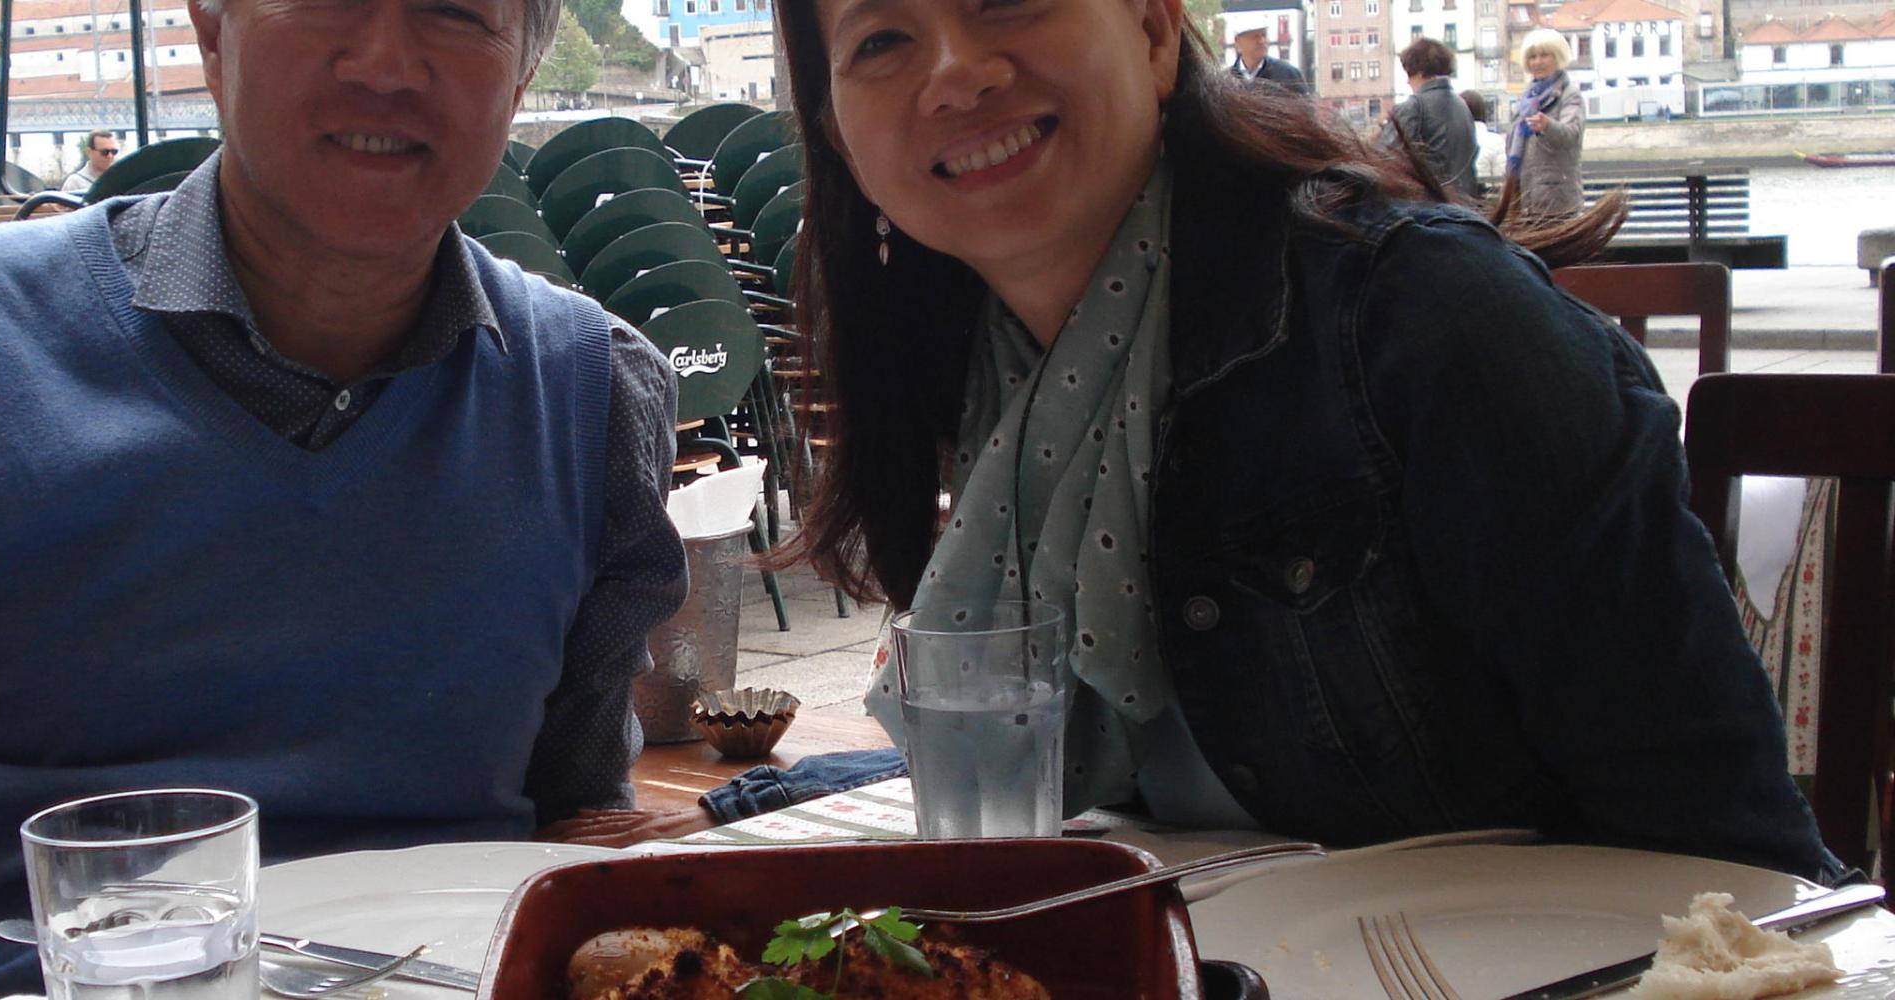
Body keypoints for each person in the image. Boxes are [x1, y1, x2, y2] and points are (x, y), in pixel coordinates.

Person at [0, 0, 688, 989]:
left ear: (520, 76)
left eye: (456, 12)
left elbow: (576, 819)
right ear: (214, 34)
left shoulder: (588, 392)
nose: (388, 60)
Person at [755, 0, 1843, 885]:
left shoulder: (1424, 319)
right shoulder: (979, 379)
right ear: (839, 134)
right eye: (881, 40)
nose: (955, 71)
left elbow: (1727, 865)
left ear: (1152, 27)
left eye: (1008, 0)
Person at [1505, 27, 1586, 220]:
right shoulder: (1525, 100)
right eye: (1532, 57)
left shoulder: (1569, 94)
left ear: (1557, 57)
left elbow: (1572, 135)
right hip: (1524, 199)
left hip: (1555, 202)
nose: (1537, 62)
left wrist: (1546, 126)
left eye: (1544, 55)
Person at [1383, 38, 1479, 199]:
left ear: (1419, 72)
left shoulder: (1414, 107)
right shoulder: (1462, 105)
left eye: (1409, 74)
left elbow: (1383, 160)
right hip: (1465, 205)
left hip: (1429, 208)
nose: (1407, 81)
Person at [1225, 26, 1304, 93]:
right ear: (1238, 41)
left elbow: (1304, 108)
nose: (1262, 41)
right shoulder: (1224, 80)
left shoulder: (1288, 74)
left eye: (1264, 35)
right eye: (1255, 36)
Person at [1461, 88, 1506, 194]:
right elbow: (1501, 178)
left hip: (1457, 203)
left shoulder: (1451, 139)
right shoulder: (1495, 141)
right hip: (1486, 203)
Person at [60, 128, 120, 193]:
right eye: (104, 152)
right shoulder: (74, 183)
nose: (110, 156)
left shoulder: (121, 179)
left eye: (114, 152)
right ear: (89, 152)